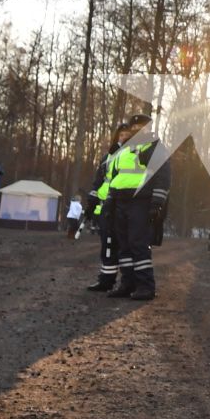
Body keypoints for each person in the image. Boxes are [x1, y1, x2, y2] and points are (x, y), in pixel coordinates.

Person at [99, 115, 170, 301]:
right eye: (135, 126)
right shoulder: (124, 149)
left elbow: (163, 176)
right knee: (123, 244)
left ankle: (146, 286)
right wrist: (109, 201)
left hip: (141, 200)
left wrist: (157, 203)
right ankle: (127, 283)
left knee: (138, 244)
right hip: (120, 200)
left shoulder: (154, 147)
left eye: (141, 126)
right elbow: (115, 177)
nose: (137, 129)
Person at [84, 122, 130, 292]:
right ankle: (106, 279)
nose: (124, 137)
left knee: (123, 245)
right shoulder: (108, 157)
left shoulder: (132, 155)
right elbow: (98, 181)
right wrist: (92, 200)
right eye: (121, 134)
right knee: (107, 244)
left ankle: (126, 282)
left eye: (127, 134)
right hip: (105, 206)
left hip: (122, 205)